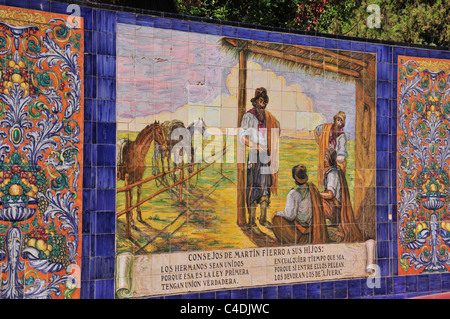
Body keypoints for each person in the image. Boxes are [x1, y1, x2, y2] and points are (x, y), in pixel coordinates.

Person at [239, 87, 279, 234]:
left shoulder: (268, 117)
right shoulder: (248, 116)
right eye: (259, 100)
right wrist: (256, 146)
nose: (262, 102)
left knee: (265, 187)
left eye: (264, 100)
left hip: (266, 156)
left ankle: (263, 218)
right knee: (253, 187)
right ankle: (251, 222)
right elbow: (243, 137)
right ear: (255, 101)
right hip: (255, 157)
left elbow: (277, 129)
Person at [272, 164, 329, 245]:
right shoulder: (312, 188)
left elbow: (290, 216)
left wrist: (277, 213)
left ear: (295, 177)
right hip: (312, 229)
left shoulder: (293, 193)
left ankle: (297, 239)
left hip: (301, 231)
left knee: (277, 219)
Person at [320, 148, 362, 243]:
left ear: (330, 159)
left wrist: (317, 194)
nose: (324, 160)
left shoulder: (332, 174)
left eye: (326, 157)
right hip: (333, 204)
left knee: (317, 204)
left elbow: (330, 195)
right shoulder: (332, 171)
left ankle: (319, 232)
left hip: (335, 207)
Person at [314, 111, 348, 189]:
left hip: (335, 162)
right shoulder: (327, 128)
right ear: (335, 120)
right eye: (338, 120)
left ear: (343, 124)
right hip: (326, 158)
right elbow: (316, 130)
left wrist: (332, 158)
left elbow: (341, 156)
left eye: (341, 121)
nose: (339, 122)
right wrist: (320, 144)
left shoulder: (342, 136)